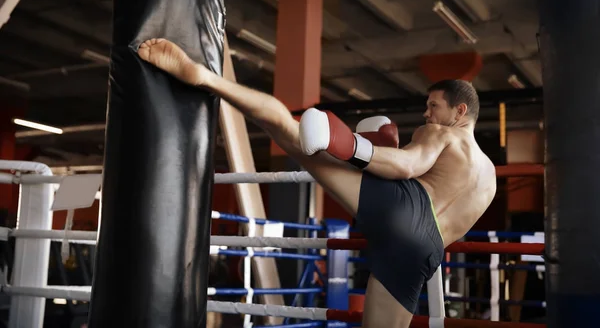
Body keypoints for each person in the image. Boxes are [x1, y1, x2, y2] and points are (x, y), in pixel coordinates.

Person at [136, 38, 497, 328]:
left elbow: (406, 166)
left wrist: (348, 146)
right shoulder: (490, 179)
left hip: (406, 207)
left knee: (289, 131)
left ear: (459, 111)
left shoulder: (443, 135)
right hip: (426, 250)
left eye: (433, 106)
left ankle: (204, 78)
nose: (427, 113)